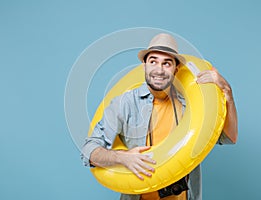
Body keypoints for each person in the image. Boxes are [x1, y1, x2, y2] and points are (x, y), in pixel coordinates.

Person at [81, 33, 238, 200]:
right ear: (144, 66)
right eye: (153, 61)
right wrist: (123, 158)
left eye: (167, 63)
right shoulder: (125, 103)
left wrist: (227, 92)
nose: (159, 70)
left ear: (176, 69)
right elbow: (88, 151)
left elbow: (229, 138)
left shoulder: (190, 105)